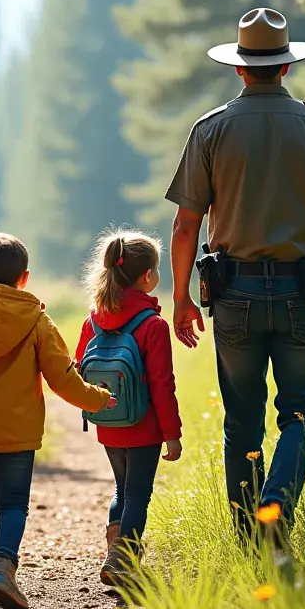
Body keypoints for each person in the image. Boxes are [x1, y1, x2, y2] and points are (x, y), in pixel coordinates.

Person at [166, 8, 305, 536]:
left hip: (233, 296)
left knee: (241, 422)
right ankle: (275, 506)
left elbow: (186, 224)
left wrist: (182, 297)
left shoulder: (209, 130)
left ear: (239, 68)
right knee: (301, 413)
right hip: (304, 295)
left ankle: (248, 538)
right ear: (286, 68)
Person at [0, 232, 112, 609]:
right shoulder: (36, 320)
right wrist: (97, 399)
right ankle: (4, 566)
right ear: (25, 278)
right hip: (18, 430)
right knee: (14, 502)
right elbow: (62, 378)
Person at [75, 231, 182, 584]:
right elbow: (163, 385)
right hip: (145, 426)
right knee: (138, 494)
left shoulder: (92, 320)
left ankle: (114, 552)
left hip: (108, 423)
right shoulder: (153, 325)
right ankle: (122, 561)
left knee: (121, 490)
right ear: (149, 276)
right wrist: (172, 435)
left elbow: (80, 367)